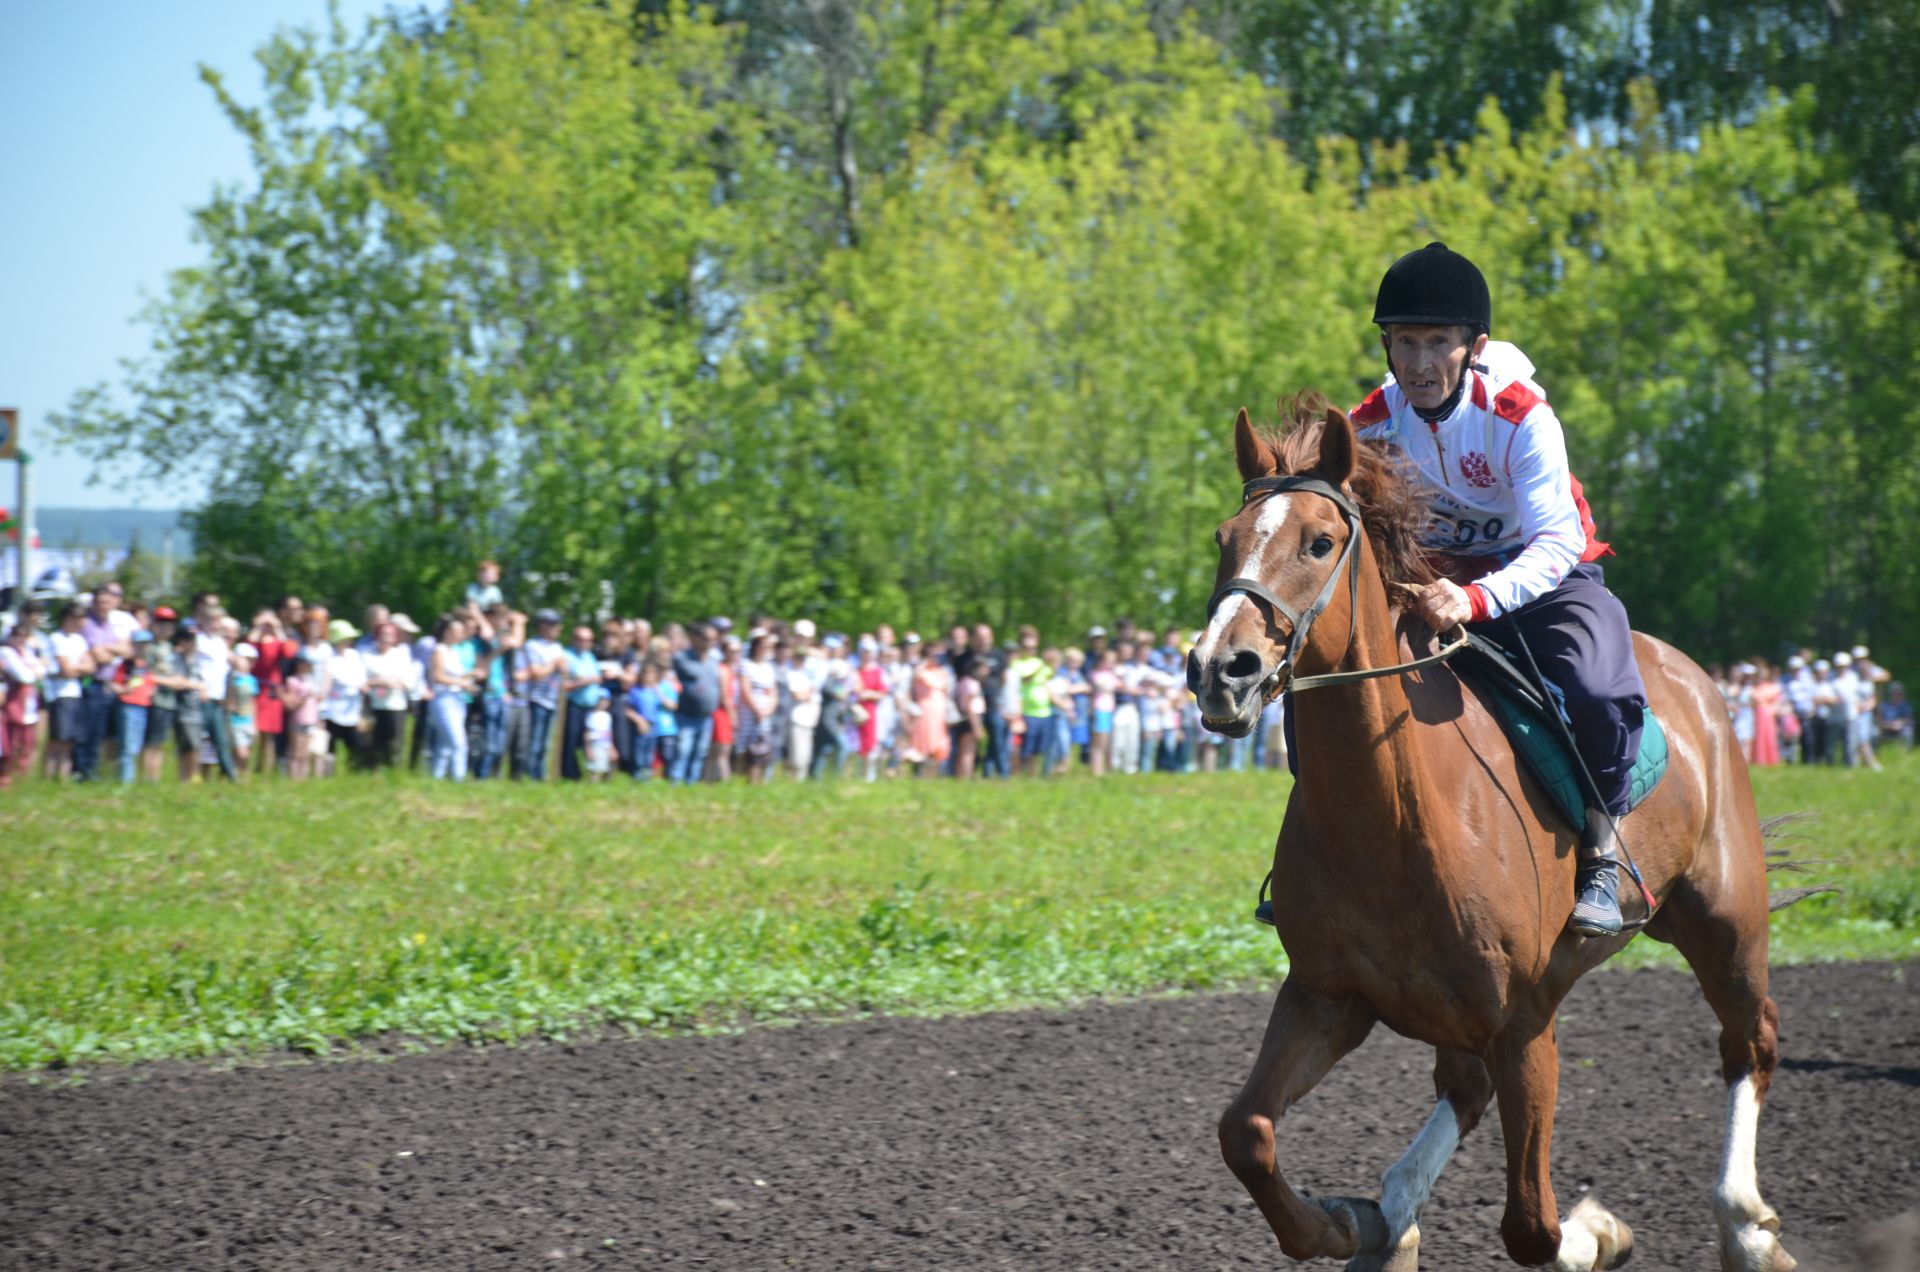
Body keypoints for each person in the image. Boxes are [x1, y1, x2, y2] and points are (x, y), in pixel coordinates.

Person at [1269, 241, 1647, 937]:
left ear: (1473, 346)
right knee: (1323, 678)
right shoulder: (1371, 424)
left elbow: (1557, 542)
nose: (1417, 362)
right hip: (1432, 581)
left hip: (1543, 574)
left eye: (1435, 342)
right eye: (1403, 341)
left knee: (1594, 687)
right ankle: (1320, 852)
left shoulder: (1519, 414)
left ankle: (1602, 847)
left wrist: (1474, 599)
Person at [77, 582, 137, 781]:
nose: (104, 605)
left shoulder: (109, 624)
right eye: (100, 601)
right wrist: (115, 649)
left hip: (107, 684)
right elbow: (100, 656)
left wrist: (109, 649)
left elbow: (128, 651)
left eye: (107, 601)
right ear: (93, 603)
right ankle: (83, 770)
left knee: (102, 731)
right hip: (91, 683)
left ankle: (94, 769)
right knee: (89, 728)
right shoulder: (88, 624)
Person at [428, 614, 481, 781]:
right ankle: (459, 778)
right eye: (458, 631)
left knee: (445, 745)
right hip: (444, 700)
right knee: (459, 743)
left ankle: (436, 777)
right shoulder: (439, 650)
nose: (462, 634)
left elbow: (455, 676)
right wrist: (462, 682)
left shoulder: (453, 652)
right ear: (447, 632)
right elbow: (437, 676)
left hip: (457, 700)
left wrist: (469, 677)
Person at [45, 602, 94, 782]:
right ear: (67, 618)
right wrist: (78, 669)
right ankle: (49, 777)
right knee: (58, 739)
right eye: (78, 618)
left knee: (70, 740)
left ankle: (63, 778)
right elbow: (66, 669)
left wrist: (76, 669)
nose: (82, 622)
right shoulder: (56, 639)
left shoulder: (79, 640)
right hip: (60, 695)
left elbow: (91, 666)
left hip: (75, 693)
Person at [669, 623, 719, 784]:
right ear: (696, 638)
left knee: (700, 751)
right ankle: (676, 782)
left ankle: (692, 782)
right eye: (705, 639)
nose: (709, 643)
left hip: (706, 716)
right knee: (683, 750)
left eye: (712, 640)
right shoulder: (681, 658)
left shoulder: (714, 660)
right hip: (686, 714)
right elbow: (686, 675)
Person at [520, 610, 566, 780]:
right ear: (543, 626)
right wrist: (554, 663)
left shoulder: (557, 647)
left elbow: (565, 671)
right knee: (535, 741)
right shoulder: (532, 646)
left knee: (546, 742)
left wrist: (562, 666)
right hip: (537, 699)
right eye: (554, 625)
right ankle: (531, 774)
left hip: (553, 700)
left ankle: (541, 774)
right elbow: (537, 673)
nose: (558, 628)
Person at [558, 623, 607, 782]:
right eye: (581, 640)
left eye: (589, 640)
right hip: (574, 706)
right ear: (573, 639)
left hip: (590, 707)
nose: (585, 643)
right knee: (571, 742)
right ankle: (570, 775)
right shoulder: (566, 656)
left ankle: (589, 773)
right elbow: (563, 685)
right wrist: (584, 681)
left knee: (588, 742)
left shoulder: (590, 657)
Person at [362, 621, 414, 768]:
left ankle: (394, 771)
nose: (386, 638)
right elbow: (361, 679)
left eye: (390, 635)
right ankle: (372, 770)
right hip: (373, 704)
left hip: (395, 704)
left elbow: (408, 681)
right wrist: (379, 681)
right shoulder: (367, 654)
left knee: (395, 742)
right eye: (383, 634)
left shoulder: (401, 654)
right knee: (373, 740)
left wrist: (392, 682)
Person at [0, 618, 45, 787]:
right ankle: (6, 776)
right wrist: (34, 671)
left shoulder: (26, 652)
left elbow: (41, 671)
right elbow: (23, 676)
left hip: (28, 700)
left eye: (23, 637)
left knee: (27, 742)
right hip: (14, 700)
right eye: (17, 636)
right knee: (11, 742)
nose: (20, 640)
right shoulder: (5, 652)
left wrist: (35, 671)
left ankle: (22, 777)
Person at [227, 642, 260, 775]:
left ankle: (242, 776)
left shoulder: (251, 680)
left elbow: (253, 702)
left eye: (252, 661)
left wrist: (255, 723)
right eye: (247, 660)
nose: (249, 664)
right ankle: (233, 774)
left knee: (247, 752)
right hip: (234, 721)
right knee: (241, 753)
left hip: (248, 720)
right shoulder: (231, 678)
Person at [583, 699, 614, 781]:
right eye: (601, 701)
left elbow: (608, 732)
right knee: (594, 767)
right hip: (594, 743)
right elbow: (587, 733)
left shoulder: (607, 716)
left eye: (606, 701)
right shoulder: (591, 715)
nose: (603, 704)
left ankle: (604, 784)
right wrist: (588, 748)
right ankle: (593, 785)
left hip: (605, 744)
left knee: (605, 766)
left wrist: (611, 747)